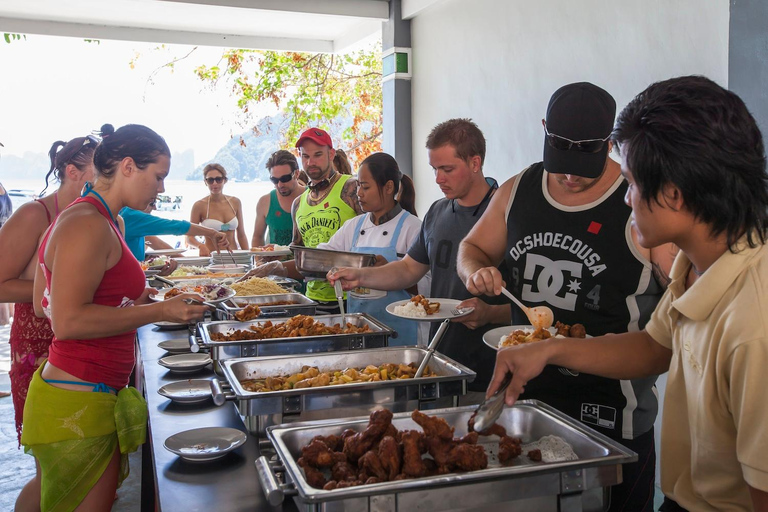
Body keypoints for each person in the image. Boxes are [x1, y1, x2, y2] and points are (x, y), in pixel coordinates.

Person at [485, 76, 768, 511]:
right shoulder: (695, 269)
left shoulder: (754, 321)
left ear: (673, 194)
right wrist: (550, 349)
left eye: (632, 183)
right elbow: (654, 348)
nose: (625, 199)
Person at [458, 82, 678, 512]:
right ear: (544, 129)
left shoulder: (639, 202)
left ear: (609, 145)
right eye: (561, 159)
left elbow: (681, 309)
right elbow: (472, 248)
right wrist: (477, 271)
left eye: (585, 163)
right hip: (522, 399)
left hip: (612, 413)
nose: (571, 175)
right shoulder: (520, 188)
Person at [20, 124, 210, 512]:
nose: (160, 189)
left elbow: (46, 302)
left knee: (51, 494)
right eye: (158, 176)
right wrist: (157, 311)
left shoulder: (108, 219)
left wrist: (146, 295)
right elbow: (66, 322)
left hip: (90, 389)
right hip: (78, 396)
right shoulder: (84, 223)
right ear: (127, 166)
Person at [328, 119, 511, 398]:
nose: (438, 179)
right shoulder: (438, 212)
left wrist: (490, 313)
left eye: (447, 169)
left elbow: (532, 306)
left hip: (492, 366)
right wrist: (360, 275)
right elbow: (408, 269)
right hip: (440, 358)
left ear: (475, 163)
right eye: (435, 169)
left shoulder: (506, 214)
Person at [0, 135, 97, 445]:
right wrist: (59, 292)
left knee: (83, 449)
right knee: (50, 452)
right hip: (38, 347)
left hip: (84, 345)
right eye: (101, 168)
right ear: (73, 172)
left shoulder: (96, 215)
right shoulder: (34, 214)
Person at [320, 152, 422, 343]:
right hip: (358, 333)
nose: (359, 193)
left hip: (399, 335)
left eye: (365, 187)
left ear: (389, 187)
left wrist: (390, 268)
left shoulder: (413, 227)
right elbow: (325, 255)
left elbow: (428, 288)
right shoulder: (354, 226)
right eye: (358, 185)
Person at [119, 202, 229, 260]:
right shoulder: (131, 216)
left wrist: (188, 266)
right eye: (152, 203)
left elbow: (159, 244)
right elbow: (175, 226)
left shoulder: (126, 215)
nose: (155, 208)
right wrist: (212, 233)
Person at [188, 163, 249, 253]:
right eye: (210, 180)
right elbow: (189, 237)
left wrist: (249, 257)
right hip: (212, 258)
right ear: (205, 182)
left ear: (224, 180)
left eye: (218, 179)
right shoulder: (199, 206)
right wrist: (200, 246)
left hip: (235, 257)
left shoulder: (235, 202)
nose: (215, 183)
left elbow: (241, 235)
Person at [251, 149, 306, 247]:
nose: (280, 184)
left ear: (296, 174)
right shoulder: (265, 202)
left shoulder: (313, 197)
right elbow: (257, 237)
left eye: (285, 179)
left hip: (306, 261)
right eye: (274, 180)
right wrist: (259, 261)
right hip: (275, 261)